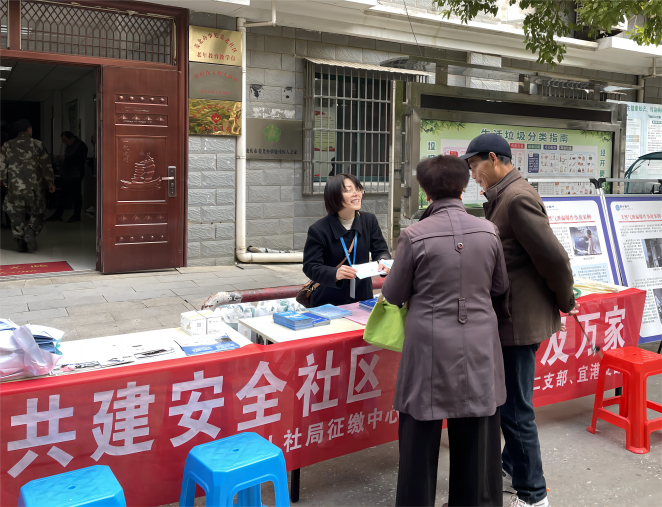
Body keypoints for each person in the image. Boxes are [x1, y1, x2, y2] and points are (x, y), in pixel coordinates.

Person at [382, 155, 508, 507]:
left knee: (419, 435)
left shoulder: (414, 235)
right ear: (464, 188)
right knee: (478, 436)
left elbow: (394, 294)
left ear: (425, 192)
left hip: (429, 346)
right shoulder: (488, 231)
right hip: (479, 344)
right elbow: (499, 286)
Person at [462, 134, 577, 507]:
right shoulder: (504, 196)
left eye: (475, 167)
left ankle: (533, 495)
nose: (473, 176)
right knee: (513, 405)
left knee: (514, 411)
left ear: (493, 159)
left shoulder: (516, 199)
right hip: (515, 317)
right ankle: (512, 468)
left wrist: (565, 300)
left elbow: (554, 259)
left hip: (518, 322)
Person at [303, 173, 390, 307]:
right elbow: (310, 266)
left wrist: (384, 261)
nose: (356, 194)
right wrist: (335, 273)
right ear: (334, 196)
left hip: (362, 298)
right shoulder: (319, 229)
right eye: (348, 190)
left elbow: (380, 250)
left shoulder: (369, 220)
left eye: (358, 189)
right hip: (328, 302)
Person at [0, 119, 56, 252]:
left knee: (16, 214)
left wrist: (6, 183)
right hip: (34, 187)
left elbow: (1, 167)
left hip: (14, 187)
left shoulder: (7, 145)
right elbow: (46, 165)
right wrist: (50, 182)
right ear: (28, 129)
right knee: (38, 212)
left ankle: (20, 240)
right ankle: (31, 230)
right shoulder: (38, 144)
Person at [48, 131, 88, 223]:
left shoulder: (81, 146)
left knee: (76, 195)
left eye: (66, 141)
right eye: (63, 141)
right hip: (66, 174)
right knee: (63, 195)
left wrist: (66, 159)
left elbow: (80, 160)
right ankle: (58, 214)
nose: (65, 143)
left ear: (71, 138)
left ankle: (76, 215)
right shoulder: (69, 145)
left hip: (75, 174)